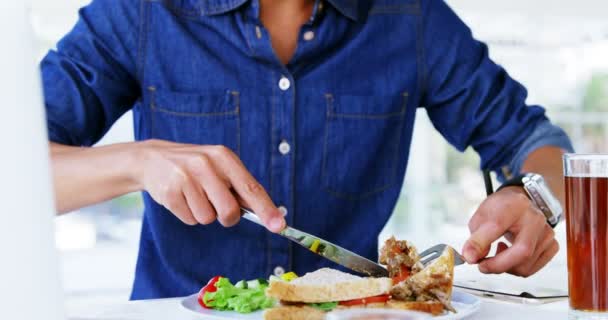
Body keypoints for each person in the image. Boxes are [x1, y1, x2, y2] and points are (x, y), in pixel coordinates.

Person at [42, 0, 573, 300]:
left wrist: (536, 199)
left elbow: (534, 142)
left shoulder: (411, 18)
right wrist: (138, 160)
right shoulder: (139, 13)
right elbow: (14, 169)